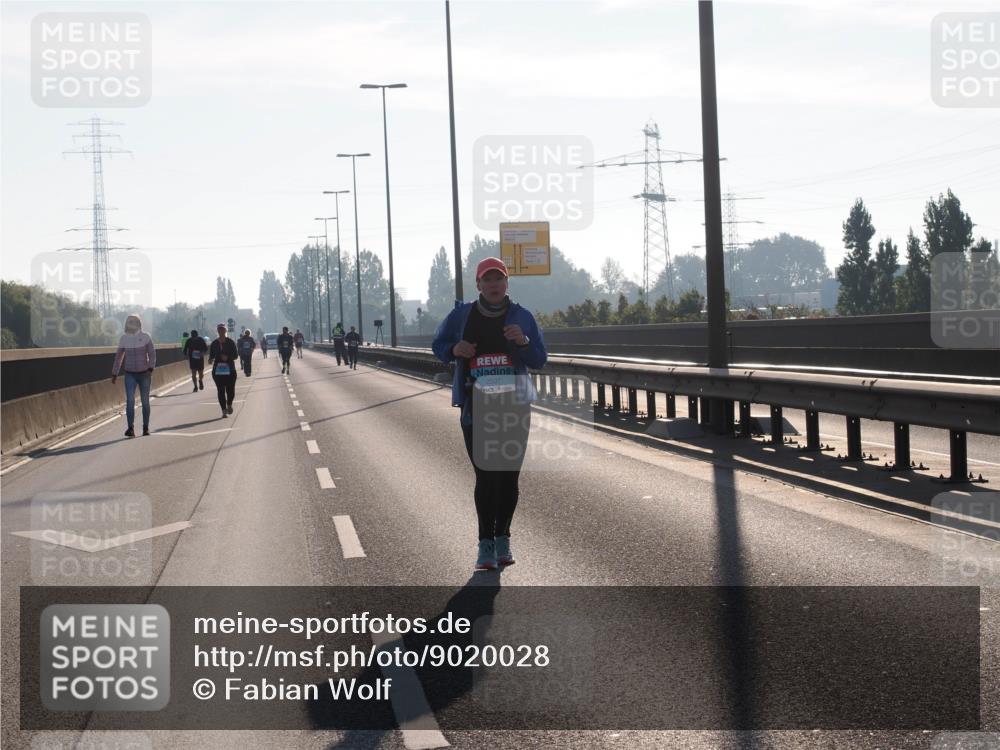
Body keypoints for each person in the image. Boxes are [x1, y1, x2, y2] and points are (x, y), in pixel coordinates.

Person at [432, 257, 547, 570]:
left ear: (507, 283)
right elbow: (438, 345)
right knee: (486, 474)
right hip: (476, 407)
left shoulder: (521, 316)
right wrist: (455, 350)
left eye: (499, 279)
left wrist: (522, 342)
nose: (494, 284)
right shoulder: (461, 315)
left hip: (515, 407)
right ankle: (485, 547)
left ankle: (503, 541)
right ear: (478, 284)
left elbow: (540, 358)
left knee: (508, 476)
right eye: (488, 279)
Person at [111, 314, 157, 437]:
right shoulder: (124, 339)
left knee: (145, 401)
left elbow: (152, 354)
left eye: (133, 322)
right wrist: (115, 373)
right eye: (129, 322)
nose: (130, 324)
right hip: (130, 373)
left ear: (138, 323)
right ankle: (130, 428)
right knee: (130, 401)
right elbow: (118, 357)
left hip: (144, 373)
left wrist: (151, 368)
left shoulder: (146, 337)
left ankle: (145, 427)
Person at [209, 323, 239, 418]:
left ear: (226, 331)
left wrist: (227, 357)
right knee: (220, 391)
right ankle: (223, 410)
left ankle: (229, 404)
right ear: (217, 331)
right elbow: (211, 356)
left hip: (230, 370)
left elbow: (236, 356)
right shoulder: (214, 343)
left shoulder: (231, 342)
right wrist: (210, 360)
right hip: (218, 371)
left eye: (223, 329)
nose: (221, 331)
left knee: (231, 391)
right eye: (219, 329)